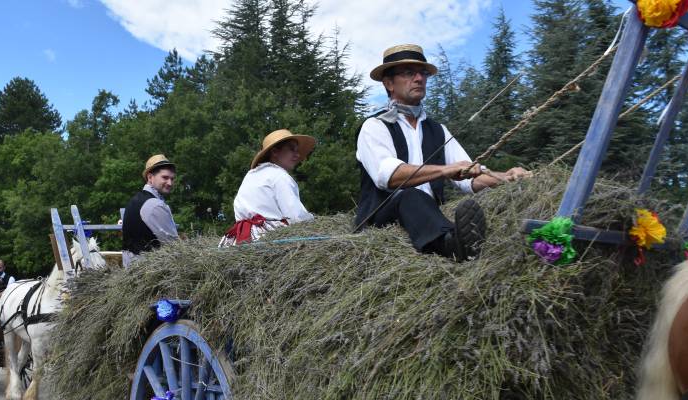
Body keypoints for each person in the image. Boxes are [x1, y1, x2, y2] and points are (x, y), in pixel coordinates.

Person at [355, 44, 531, 262]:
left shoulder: (438, 130)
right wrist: (445, 170)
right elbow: (387, 176)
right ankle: (453, 244)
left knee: (419, 199)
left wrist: (506, 177)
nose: (419, 78)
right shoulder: (374, 126)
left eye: (423, 73)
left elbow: (468, 177)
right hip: (381, 219)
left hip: (426, 215)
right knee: (410, 195)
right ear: (389, 83)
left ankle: (451, 237)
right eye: (409, 73)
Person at [220, 129, 316, 246]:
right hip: (266, 237)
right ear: (275, 152)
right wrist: (316, 228)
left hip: (238, 239)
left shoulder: (250, 175)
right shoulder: (279, 176)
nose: (297, 155)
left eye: (297, 150)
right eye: (291, 149)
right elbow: (296, 216)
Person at [121, 154, 180, 267]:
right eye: (165, 177)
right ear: (150, 177)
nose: (170, 183)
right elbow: (173, 245)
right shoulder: (154, 205)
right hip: (149, 273)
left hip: (133, 270)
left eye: (172, 179)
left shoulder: (135, 200)